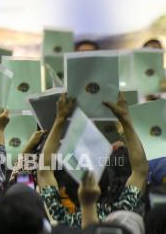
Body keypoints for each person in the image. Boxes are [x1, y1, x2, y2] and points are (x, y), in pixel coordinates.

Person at [37, 93, 149, 229]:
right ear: (108, 186)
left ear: (67, 191)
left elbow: (44, 172)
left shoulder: (62, 220)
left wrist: (60, 119)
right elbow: (140, 171)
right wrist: (125, 120)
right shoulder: (120, 219)